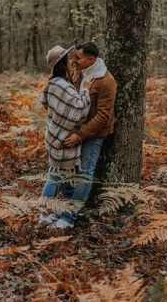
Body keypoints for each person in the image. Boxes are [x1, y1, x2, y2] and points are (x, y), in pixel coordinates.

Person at [56, 41, 117, 228]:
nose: (75, 61)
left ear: (91, 59)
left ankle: (69, 217)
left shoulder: (106, 81)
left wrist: (80, 135)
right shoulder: (80, 72)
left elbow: (103, 117)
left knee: (85, 174)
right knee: (65, 167)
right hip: (75, 128)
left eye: (79, 57)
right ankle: (65, 207)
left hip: (94, 133)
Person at [39, 45, 91, 227]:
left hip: (54, 136)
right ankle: (44, 213)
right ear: (62, 64)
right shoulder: (61, 85)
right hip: (62, 140)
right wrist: (85, 89)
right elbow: (79, 109)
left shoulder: (52, 83)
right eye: (69, 60)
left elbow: (45, 102)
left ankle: (57, 211)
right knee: (54, 177)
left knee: (62, 176)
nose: (72, 62)